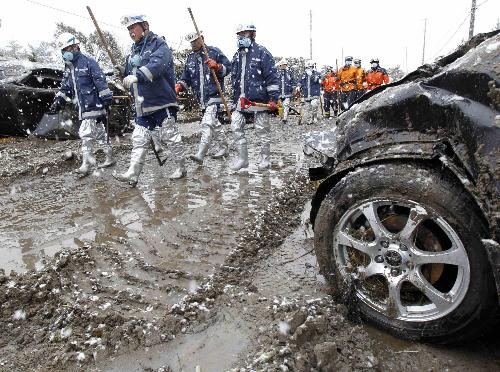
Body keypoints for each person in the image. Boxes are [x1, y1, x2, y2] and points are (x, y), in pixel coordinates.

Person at [113, 14, 186, 186]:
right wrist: (124, 71)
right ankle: (133, 172)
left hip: (162, 101)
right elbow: (131, 76)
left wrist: (136, 75)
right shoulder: (133, 51)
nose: (131, 32)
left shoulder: (159, 44)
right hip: (142, 105)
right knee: (139, 139)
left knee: (170, 136)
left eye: (133, 28)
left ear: (145, 25)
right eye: (129, 29)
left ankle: (181, 167)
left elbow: (158, 65)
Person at [49, 32, 114, 176]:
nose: (65, 53)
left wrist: (107, 99)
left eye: (67, 49)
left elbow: (100, 80)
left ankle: (86, 164)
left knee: (86, 134)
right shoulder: (69, 67)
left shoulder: (88, 62)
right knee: (100, 133)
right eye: (63, 51)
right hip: (82, 106)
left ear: (75, 46)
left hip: (93, 105)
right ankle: (110, 157)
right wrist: (59, 99)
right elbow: (65, 86)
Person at [229, 23, 280, 171]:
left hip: (259, 100)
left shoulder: (262, 53)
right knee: (235, 126)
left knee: (262, 131)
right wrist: (234, 99)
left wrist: (273, 99)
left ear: (253, 35)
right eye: (239, 35)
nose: (241, 37)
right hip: (241, 100)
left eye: (244, 34)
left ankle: (265, 159)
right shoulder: (237, 55)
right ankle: (243, 159)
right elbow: (234, 80)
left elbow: (272, 78)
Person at [176, 31, 231, 164]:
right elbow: (186, 78)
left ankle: (201, 153)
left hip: (214, 95)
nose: (193, 44)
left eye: (195, 41)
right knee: (214, 124)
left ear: (202, 39)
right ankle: (224, 147)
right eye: (191, 42)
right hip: (201, 98)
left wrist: (217, 67)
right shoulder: (190, 58)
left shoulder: (213, 52)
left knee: (207, 123)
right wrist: (179, 86)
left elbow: (228, 68)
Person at [297, 60, 321, 125]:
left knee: (314, 105)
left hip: (314, 93)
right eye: (308, 67)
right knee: (308, 108)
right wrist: (298, 86)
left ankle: (315, 117)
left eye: (311, 66)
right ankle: (310, 119)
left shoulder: (317, 73)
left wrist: (311, 75)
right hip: (306, 94)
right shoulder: (303, 75)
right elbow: (300, 81)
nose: (310, 68)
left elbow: (318, 80)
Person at [276, 58, 295, 124]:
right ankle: (281, 117)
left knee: (286, 105)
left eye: (285, 65)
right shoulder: (277, 73)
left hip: (287, 93)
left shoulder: (289, 73)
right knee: (280, 106)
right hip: (279, 93)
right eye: (283, 65)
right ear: (280, 66)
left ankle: (285, 118)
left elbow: (293, 82)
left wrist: (293, 89)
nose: (284, 66)